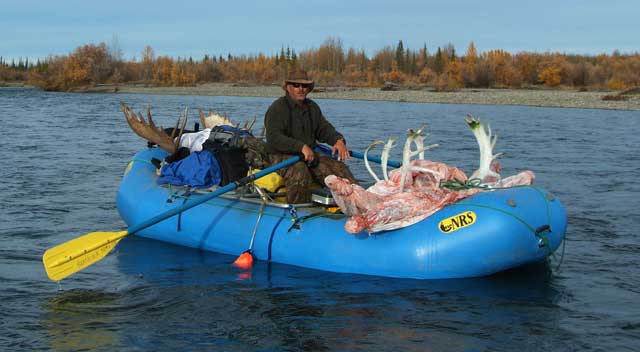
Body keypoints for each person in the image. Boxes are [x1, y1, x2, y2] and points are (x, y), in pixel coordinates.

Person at [264, 69, 357, 204]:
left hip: (309, 155)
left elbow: (323, 129)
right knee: (299, 171)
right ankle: (299, 212)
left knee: (338, 168)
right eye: (296, 85)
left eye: (305, 86)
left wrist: (338, 140)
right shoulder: (277, 108)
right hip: (279, 155)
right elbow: (273, 137)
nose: (301, 89)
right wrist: (300, 146)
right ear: (288, 87)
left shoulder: (312, 107)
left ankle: (357, 205)